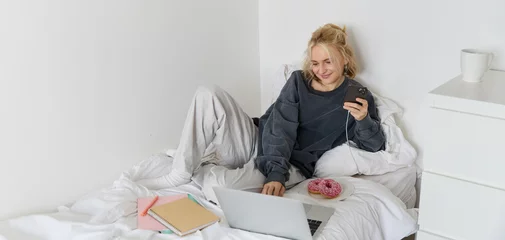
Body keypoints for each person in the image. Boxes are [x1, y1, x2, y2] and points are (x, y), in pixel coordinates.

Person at [137, 23, 385, 200]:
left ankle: (204, 168)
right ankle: (180, 172)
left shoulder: (358, 95)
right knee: (207, 93)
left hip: (292, 165)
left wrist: (363, 119)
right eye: (316, 62)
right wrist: (274, 171)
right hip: (257, 139)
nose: (321, 70)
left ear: (344, 58)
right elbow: (281, 126)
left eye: (328, 61)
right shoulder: (298, 81)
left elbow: (374, 146)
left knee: (217, 186)